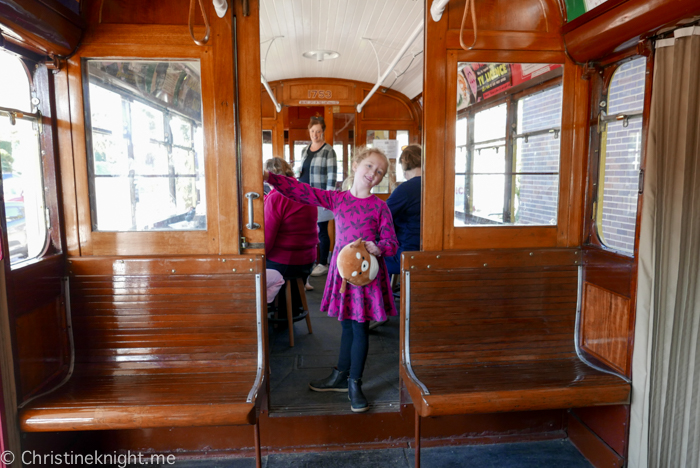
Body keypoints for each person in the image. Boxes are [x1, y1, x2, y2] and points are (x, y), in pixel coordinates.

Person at [264, 147, 398, 413]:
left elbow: (392, 243)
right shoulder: (337, 199)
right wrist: (269, 177)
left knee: (359, 328)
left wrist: (378, 247)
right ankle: (341, 374)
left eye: (380, 171)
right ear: (357, 165)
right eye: (370, 166)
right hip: (342, 277)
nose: (373, 173)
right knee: (347, 327)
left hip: (365, 280)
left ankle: (354, 383)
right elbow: (300, 191)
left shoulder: (380, 207)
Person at [264, 157, 319, 318]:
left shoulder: (276, 197)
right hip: (308, 260)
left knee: (250, 266)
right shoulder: (306, 190)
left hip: (286, 262)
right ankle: (290, 310)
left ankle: (262, 317)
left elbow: (267, 241)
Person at [298, 116, 337, 277]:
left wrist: (326, 199)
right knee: (305, 229)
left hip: (320, 196)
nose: (315, 134)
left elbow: (332, 176)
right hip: (303, 197)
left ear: (323, 132)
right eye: (313, 131)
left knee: (321, 230)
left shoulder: (329, 150)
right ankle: (307, 260)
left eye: (318, 131)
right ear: (309, 131)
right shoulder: (304, 150)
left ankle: (323, 263)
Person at [384, 144, 422, 277]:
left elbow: (382, 215)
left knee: (373, 257)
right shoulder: (434, 185)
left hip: (406, 255)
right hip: (429, 254)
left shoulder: (406, 189)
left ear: (404, 165)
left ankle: (383, 297)